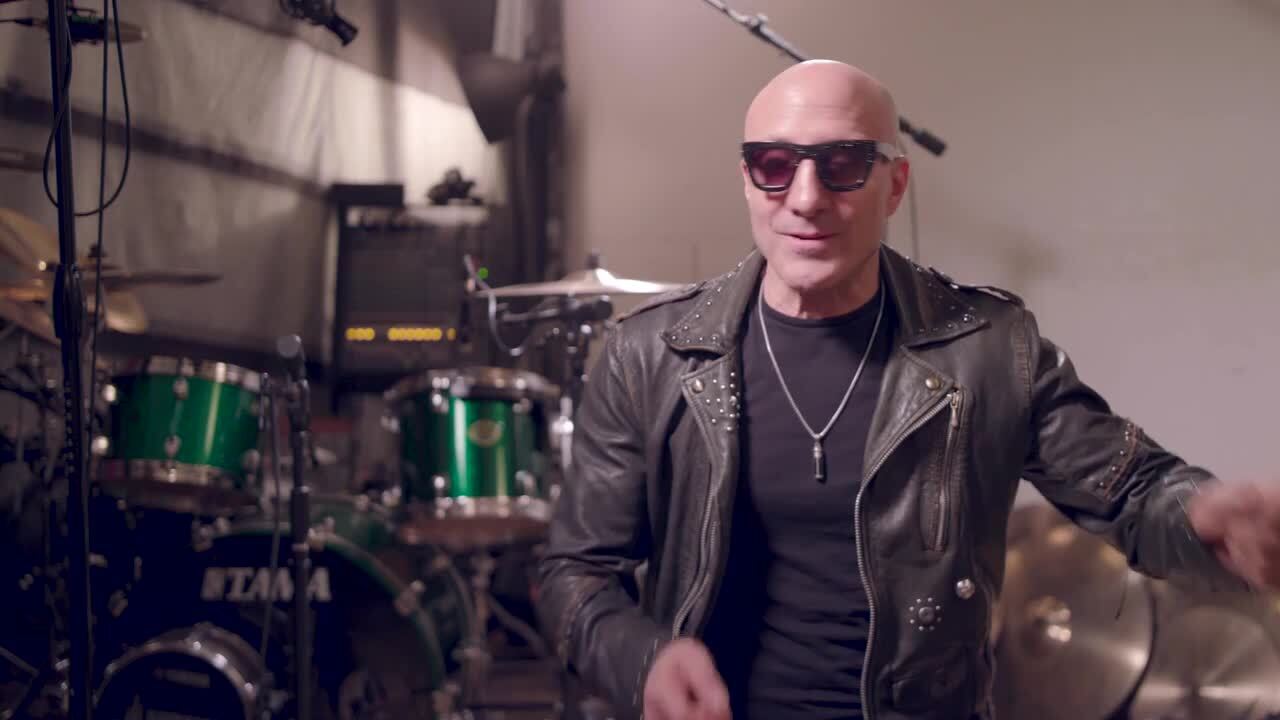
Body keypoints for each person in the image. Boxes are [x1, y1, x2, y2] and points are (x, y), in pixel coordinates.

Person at [536, 60, 1280, 720]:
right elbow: (574, 573)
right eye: (774, 164)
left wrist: (1205, 517)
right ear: (747, 179)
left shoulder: (991, 348)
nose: (805, 198)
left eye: (842, 164)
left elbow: (1135, 490)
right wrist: (646, 661)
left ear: (894, 183)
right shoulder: (650, 355)